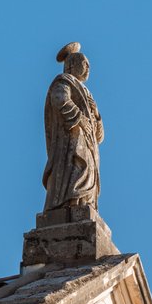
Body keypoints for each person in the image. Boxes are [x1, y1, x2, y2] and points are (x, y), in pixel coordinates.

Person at [41, 42, 104, 214]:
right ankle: (72, 203)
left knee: (87, 171)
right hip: (72, 141)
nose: (88, 68)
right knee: (75, 169)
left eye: (89, 65)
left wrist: (96, 114)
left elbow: (99, 136)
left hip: (88, 144)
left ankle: (86, 203)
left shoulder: (88, 94)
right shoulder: (63, 82)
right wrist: (80, 118)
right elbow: (59, 99)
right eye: (84, 63)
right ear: (72, 65)